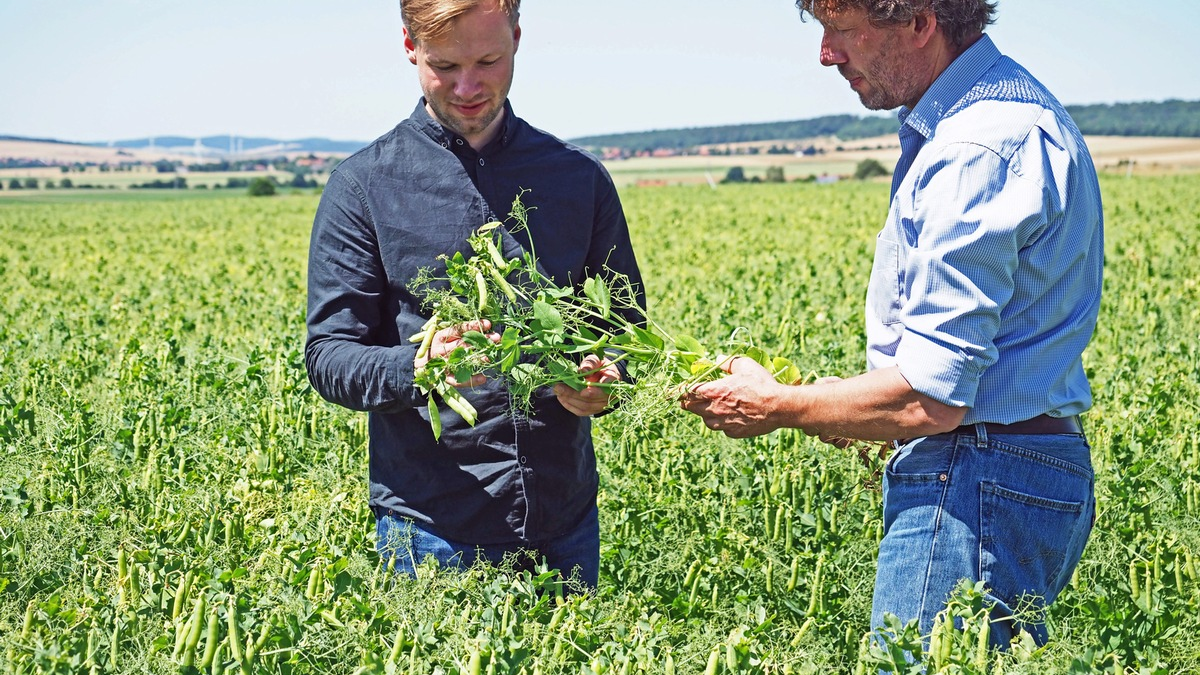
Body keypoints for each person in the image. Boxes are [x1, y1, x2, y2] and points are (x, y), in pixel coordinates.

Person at [683, 0, 1103, 648]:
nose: (827, 54)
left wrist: (778, 405)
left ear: (918, 22)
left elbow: (931, 397)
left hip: (975, 475)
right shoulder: (1011, 112)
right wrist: (836, 406)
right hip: (1014, 467)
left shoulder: (974, 144)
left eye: (841, 30)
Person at [305, 0, 644, 589]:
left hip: (565, 519)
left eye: (489, 60)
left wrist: (605, 382)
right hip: (432, 529)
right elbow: (329, 355)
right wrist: (419, 367)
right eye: (444, 66)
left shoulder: (578, 178)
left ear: (517, 36)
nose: (468, 86)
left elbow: (626, 327)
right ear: (409, 45)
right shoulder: (362, 187)